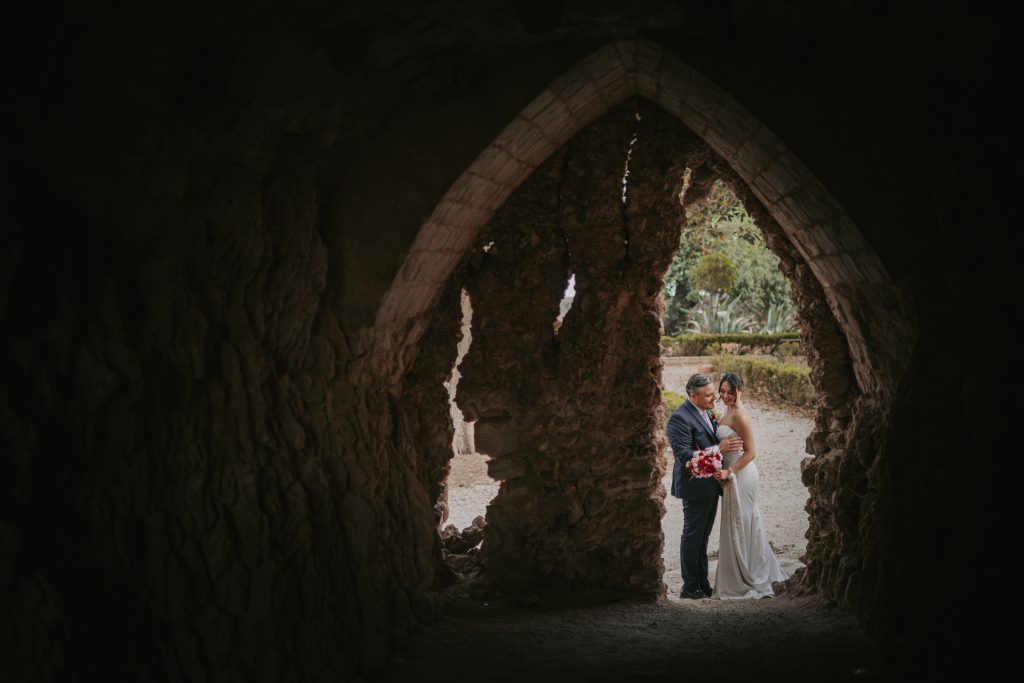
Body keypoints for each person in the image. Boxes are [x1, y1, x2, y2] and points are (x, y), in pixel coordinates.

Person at [710, 372, 789, 599]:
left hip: (741, 473)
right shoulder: (727, 411)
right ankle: (738, 571)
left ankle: (752, 572)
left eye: (730, 392)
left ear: (740, 390)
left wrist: (729, 471)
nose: (725, 396)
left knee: (743, 519)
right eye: (722, 391)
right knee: (735, 520)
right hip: (730, 471)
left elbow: (751, 452)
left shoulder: (740, 415)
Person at [666, 373, 744, 599]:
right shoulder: (679, 418)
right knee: (692, 536)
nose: (715, 398)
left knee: (703, 536)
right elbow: (684, 456)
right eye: (709, 395)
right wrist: (719, 449)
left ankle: (702, 582)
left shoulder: (706, 412)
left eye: (714, 393)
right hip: (694, 486)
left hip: (711, 484)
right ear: (693, 395)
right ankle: (689, 586)